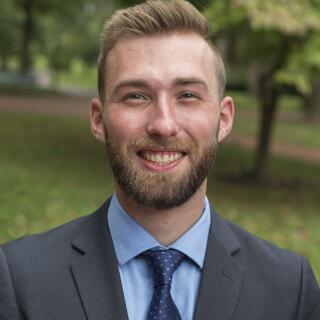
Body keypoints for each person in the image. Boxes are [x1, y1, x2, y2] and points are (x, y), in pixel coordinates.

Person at [0, 0, 319, 319]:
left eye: (188, 95)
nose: (163, 125)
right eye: (136, 96)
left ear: (223, 119)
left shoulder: (290, 288)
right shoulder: (20, 279)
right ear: (99, 120)